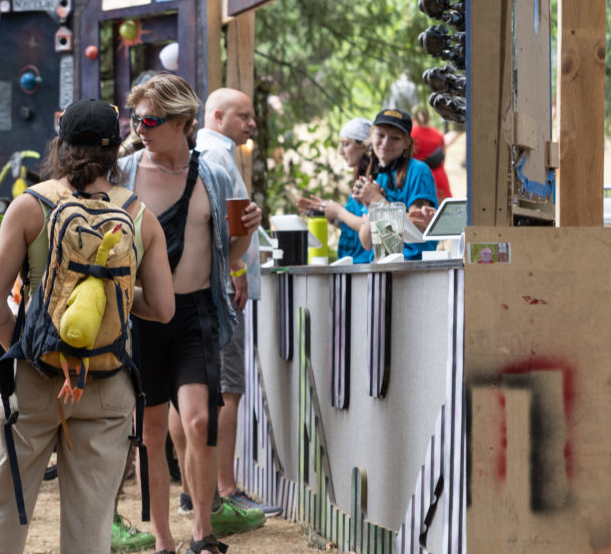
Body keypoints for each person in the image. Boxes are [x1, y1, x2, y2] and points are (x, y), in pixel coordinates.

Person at [0, 99, 174, 554]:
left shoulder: (30, 206)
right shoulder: (141, 217)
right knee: (90, 524)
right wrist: (114, 295)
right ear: (117, 152)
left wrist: (28, 353)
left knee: (1, 511)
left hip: (36, 380)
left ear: (60, 146)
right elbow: (163, 308)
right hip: (106, 381)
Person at [119, 75, 263, 554]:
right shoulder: (125, 172)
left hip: (197, 311)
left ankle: (203, 530)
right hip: (142, 315)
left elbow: (232, 249)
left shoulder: (214, 174)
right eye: (137, 118)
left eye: (153, 119)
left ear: (184, 122)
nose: (142, 127)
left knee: (201, 420)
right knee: (152, 429)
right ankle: (163, 539)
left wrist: (246, 234)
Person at [171, 87, 280, 519]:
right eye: (244, 116)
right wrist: (235, 270)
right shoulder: (217, 159)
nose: (252, 123)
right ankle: (225, 489)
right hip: (221, 292)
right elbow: (225, 227)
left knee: (192, 395)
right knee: (226, 391)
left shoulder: (210, 154)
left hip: (208, 288)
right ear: (216, 116)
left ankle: (193, 490)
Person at [353, 109, 438, 260]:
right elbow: (367, 242)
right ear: (372, 136)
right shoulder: (377, 177)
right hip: (382, 264)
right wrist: (371, 206)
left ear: (406, 143)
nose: (386, 142)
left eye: (395, 138)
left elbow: (417, 228)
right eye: (381, 135)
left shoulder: (418, 171)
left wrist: (378, 200)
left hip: (414, 265)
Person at [296, 117, 374, 262]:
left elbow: (368, 226)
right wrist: (332, 215)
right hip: (351, 262)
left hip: (363, 264)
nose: (340, 151)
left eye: (346, 144)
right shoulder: (359, 179)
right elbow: (355, 225)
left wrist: (338, 211)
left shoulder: (371, 182)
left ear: (364, 146)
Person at [411, 106, 452, 201]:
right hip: (439, 177)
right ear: (429, 117)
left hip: (419, 177)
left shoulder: (411, 134)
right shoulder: (438, 134)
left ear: (413, 118)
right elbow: (443, 157)